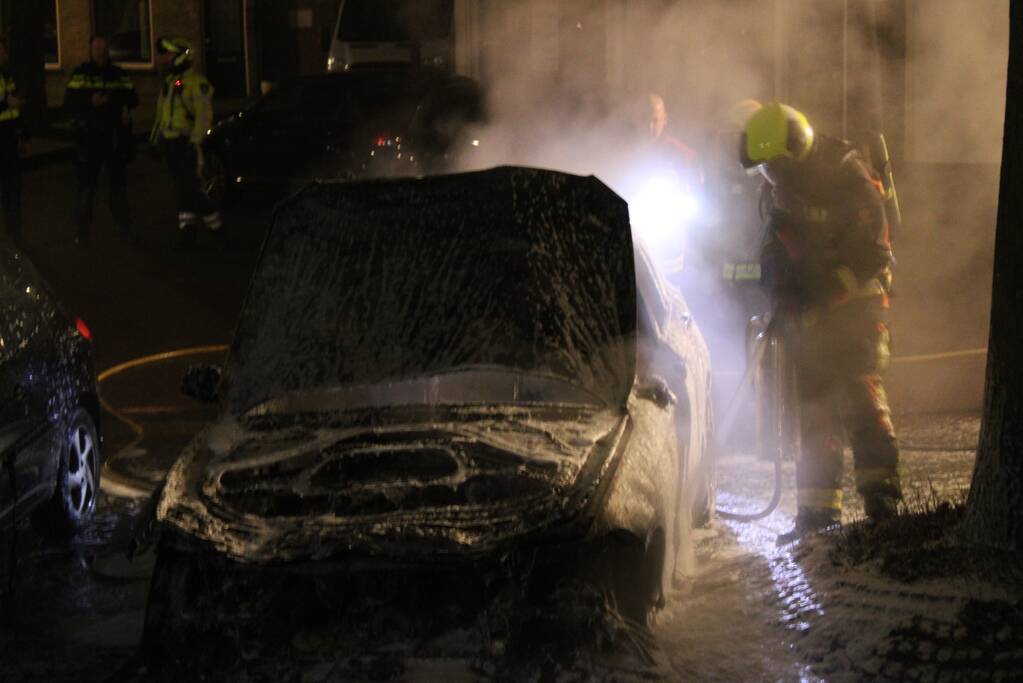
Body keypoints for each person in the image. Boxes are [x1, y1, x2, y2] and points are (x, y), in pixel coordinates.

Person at [738, 102, 902, 542]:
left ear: (798, 150)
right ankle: (817, 513)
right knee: (812, 409)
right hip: (808, 313)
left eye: (775, 165)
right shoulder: (779, 191)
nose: (771, 176)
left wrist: (823, 291)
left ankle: (883, 505)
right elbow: (772, 246)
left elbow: (873, 253)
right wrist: (781, 290)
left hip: (856, 309)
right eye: (765, 169)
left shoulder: (848, 177)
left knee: (860, 398)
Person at [65, 35, 139, 246]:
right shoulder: (81, 74)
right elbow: (69, 101)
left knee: (118, 186)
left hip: (114, 138)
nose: (101, 52)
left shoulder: (119, 74)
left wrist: (116, 102)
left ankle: (124, 228)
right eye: (97, 49)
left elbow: (133, 98)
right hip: (89, 138)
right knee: (86, 187)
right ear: (90, 51)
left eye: (104, 48)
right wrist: (90, 101)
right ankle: (83, 233)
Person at [150, 36, 223, 249]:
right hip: (170, 145)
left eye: (168, 55)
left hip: (186, 144)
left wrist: (195, 142)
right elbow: (161, 115)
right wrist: (155, 140)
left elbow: (203, 116)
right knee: (182, 190)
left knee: (192, 189)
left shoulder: (195, 82)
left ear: (180, 56)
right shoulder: (170, 82)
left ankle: (218, 231)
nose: (164, 59)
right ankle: (188, 234)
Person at [0, 36, 26, 246]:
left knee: (13, 189)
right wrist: (5, 102)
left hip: (9, 142)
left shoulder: (8, 75)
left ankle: (14, 235)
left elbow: (17, 108)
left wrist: (23, 136)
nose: (4, 54)